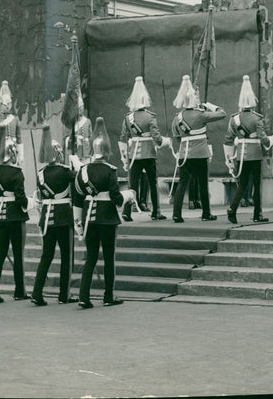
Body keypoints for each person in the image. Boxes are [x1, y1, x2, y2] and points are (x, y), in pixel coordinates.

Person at [73, 117, 125, 309]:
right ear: (106, 151)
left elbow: (77, 196)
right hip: (107, 218)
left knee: (91, 258)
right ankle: (108, 296)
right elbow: (115, 197)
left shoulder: (83, 170)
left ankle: (83, 296)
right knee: (109, 258)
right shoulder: (110, 170)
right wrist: (127, 196)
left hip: (88, 218)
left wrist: (77, 221)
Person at [30, 124, 78, 306]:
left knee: (46, 256)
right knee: (66, 256)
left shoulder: (41, 173)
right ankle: (64, 294)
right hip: (63, 217)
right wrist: (76, 164)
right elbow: (80, 179)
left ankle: (37, 292)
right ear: (58, 154)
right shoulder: (65, 172)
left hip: (46, 218)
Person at [0, 128, 30, 304]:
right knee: (18, 255)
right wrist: (31, 203)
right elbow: (21, 199)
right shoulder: (17, 173)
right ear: (12, 154)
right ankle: (19, 291)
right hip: (16, 217)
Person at [170, 75, 226, 222]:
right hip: (200, 154)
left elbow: (176, 136)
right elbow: (222, 113)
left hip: (184, 154)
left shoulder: (178, 117)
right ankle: (206, 213)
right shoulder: (201, 115)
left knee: (182, 184)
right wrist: (209, 104)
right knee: (202, 184)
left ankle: (176, 214)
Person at [224, 75, 273, 224]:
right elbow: (263, 139)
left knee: (242, 184)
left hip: (241, 155)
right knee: (257, 184)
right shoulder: (257, 118)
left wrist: (229, 159)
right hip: (255, 155)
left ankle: (232, 208)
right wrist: (272, 140)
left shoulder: (234, 119)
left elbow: (228, 139)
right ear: (252, 102)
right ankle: (257, 214)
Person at [118, 76, 170, 220]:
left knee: (132, 185)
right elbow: (157, 139)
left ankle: (126, 212)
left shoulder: (128, 118)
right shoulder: (150, 117)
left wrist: (124, 158)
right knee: (152, 184)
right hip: (149, 154)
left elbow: (123, 138)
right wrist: (166, 141)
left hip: (133, 155)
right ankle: (156, 212)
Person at [0, 80, 24, 165]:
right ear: (0, 104)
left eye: (9, 104)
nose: (7, 107)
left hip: (13, 151)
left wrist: (21, 155)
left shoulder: (15, 118)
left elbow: (19, 138)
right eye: (5, 104)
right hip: (0, 150)